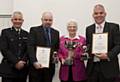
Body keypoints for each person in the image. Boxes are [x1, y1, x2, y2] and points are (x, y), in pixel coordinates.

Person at [86, 4, 120, 82]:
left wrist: (108, 55)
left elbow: (118, 45)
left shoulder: (114, 27)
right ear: (93, 15)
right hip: (92, 68)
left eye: (101, 13)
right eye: (96, 13)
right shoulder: (89, 29)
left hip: (109, 68)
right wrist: (85, 51)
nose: (98, 15)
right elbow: (88, 45)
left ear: (105, 14)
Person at [28, 11, 59, 82]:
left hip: (49, 68)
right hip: (36, 67)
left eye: (50, 20)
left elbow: (56, 48)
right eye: (46, 20)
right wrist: (34, 61)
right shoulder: (34, 30)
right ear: (41, 20)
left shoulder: (56, 33)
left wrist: (55, 56)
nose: (48, 22)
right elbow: (30, 47)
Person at [0, 11, 29, 82]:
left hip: (22, 70)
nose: (17, 21)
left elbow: (28, 50)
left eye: (19, 19)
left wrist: (23, 61)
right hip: (8, 70)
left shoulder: (26, 34)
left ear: (22, 21)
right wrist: (16, 62)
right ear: (12, 20)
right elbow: (4, 49)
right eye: (15, 19)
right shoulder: (5, 32)